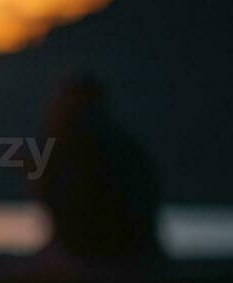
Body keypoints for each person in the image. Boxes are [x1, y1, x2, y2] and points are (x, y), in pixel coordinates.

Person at [34, 76, 163, 264]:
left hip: (103, 258)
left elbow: (77, 216)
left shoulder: (74, 152)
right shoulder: (127, 148)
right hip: (136, 256)